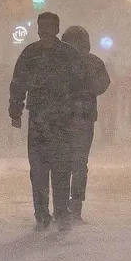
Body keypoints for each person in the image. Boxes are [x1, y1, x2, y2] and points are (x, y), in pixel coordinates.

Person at [9, 12, 88, 232]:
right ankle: (52, 212)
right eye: (42, 27)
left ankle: (49, 212)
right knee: (51, 167)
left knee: (47, 167)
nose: (44, 31)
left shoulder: (33, 53)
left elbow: (18, 83)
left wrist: (15, 110)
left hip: (48, 119)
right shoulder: (64, 54)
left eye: (46, 27)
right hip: (54, 119)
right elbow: (80, 84)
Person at [62, 26, 111, 222]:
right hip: (82, 118)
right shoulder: (94, 62)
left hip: (65, 118)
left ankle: (64, 204)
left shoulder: (60, 62)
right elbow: (103, 84)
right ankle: (73, 204)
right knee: (78, 163)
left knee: (67, 162)